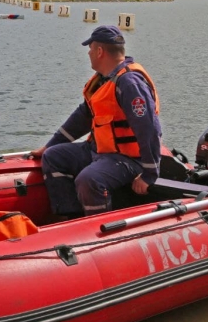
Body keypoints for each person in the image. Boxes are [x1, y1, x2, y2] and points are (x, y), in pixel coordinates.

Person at [30, 25, 162, 218]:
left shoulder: (129, 83)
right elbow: (83, 116)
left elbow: (149, 128)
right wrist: (50, 145)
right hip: (99, 151)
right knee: (53, 156)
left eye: (90, 49)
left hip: (129, 159)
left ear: (100, 51)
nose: (89, 53)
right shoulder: (103, 80)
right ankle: (69, 217)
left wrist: (149, 174)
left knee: (89, 179)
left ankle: (97, 229)